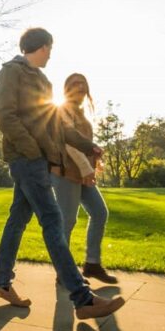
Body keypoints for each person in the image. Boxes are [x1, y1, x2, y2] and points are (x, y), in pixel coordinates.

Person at [0, 27, 125, 320]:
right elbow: (4, 115)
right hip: (27, 160)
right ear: (39, 47)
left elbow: (58, 126)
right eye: (49, 48)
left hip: (38, 160)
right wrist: (31, 150)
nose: (51, 53)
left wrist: (89, 145)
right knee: (53, 220)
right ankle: (82, 297)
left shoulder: (43, 80)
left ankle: (2, 283)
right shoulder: (11, 73)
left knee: (17, 220)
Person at [54, 73, 118, 285]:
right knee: (67, 221)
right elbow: (69, 142)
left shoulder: (81, 114)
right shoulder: (62, 110)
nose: (80, 87)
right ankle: (64, 273)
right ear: (66, 89)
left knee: (99, 212)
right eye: (75, 84)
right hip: (65, 174)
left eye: (83, 84)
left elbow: (82, 143)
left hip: (83, 174)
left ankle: (92, 264)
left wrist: (93, 163)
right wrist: (85, 168)